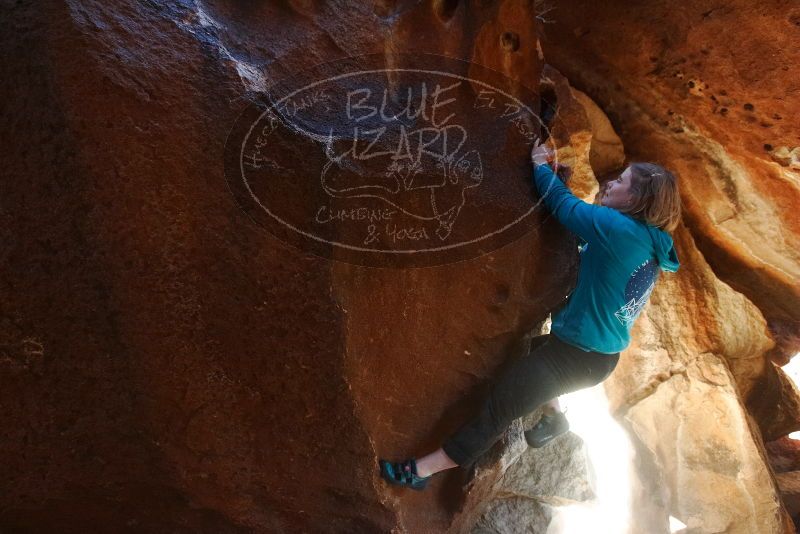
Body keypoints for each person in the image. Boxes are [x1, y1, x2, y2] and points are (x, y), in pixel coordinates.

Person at [378, 138, 682, 490]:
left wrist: (539, 166)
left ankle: (420, 472)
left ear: (635, 200)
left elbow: (563, 207)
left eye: (621, 182)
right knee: (529, 359)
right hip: (594, 354)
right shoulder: (650, 242)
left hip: (577, 356)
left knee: (501, 405)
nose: (612, 183)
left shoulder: (619, 231)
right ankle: (554, 417)